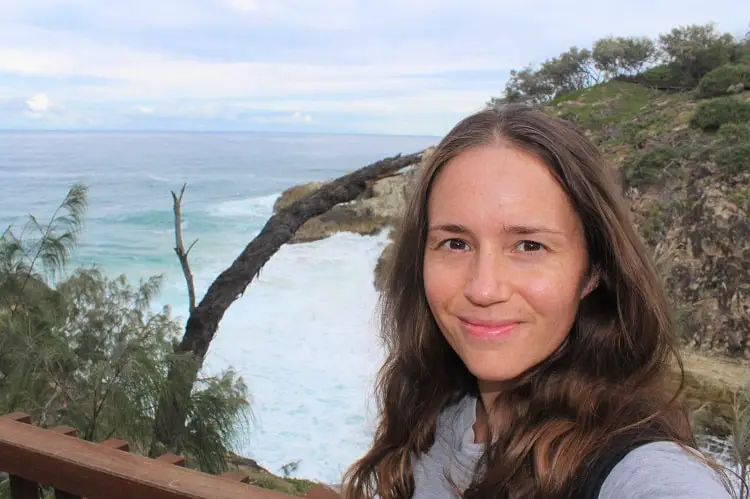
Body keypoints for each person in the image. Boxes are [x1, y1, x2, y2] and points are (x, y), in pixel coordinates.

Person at [341, 104, 736, 499]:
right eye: (456, 243)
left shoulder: (635, 467)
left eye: (529, 245)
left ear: (592, 270)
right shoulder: (435, 416)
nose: (483, 288)